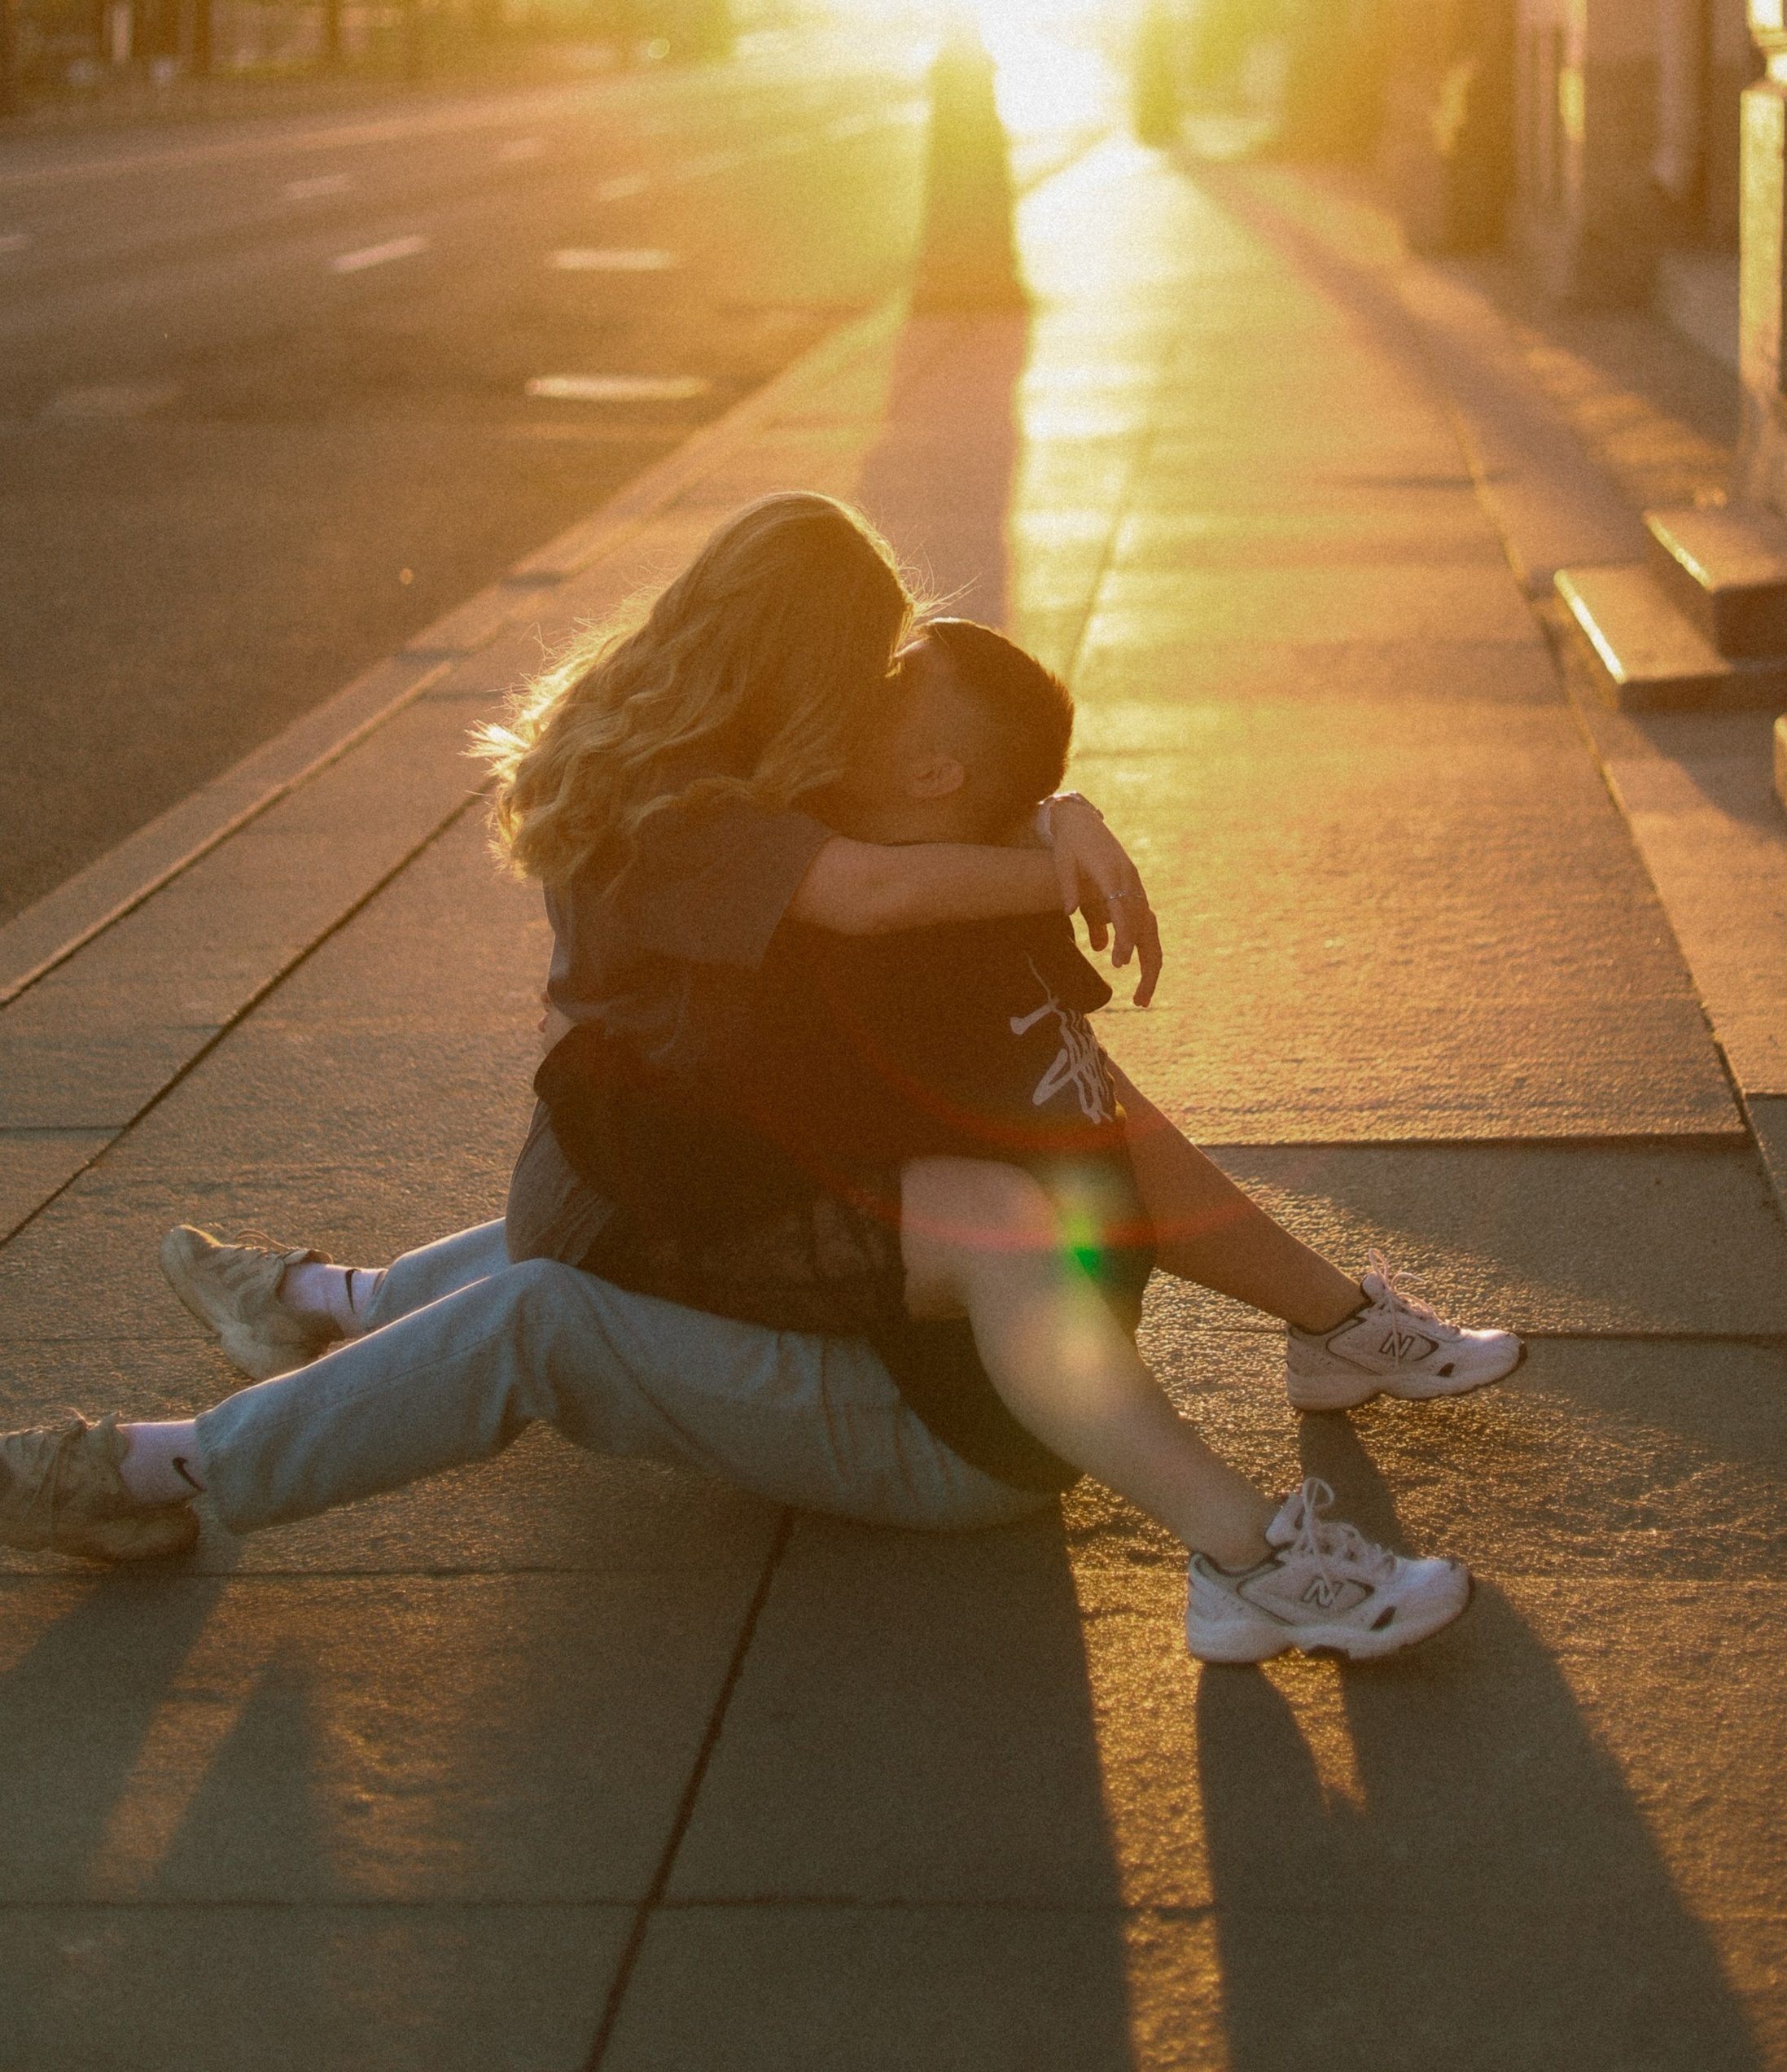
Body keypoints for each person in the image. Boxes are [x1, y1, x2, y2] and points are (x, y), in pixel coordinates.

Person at [0, 493, 1513, 1662]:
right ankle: (257, 1382)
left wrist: (1055, 814)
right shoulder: (734, 839)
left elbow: (1089, 1102)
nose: (871, 705)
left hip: (879, 1366)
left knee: (585, 1281)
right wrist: (1052, 846)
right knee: (571, 1280)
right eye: (861, 678)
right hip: (696, 1206)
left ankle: (229, 1408)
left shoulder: (767, 816)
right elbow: (873, 889)